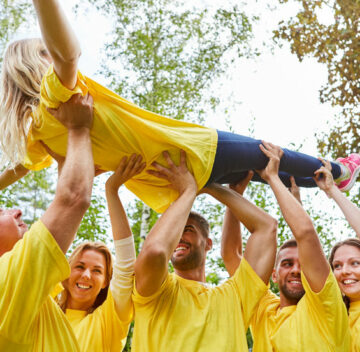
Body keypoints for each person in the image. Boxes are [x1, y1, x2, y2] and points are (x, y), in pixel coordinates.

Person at [0, 0, 359, 214]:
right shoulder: (57, 96)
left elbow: (18, 169)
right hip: (192, 148)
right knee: (268, 154)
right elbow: (69, 53)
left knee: (266, 174)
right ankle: (340, 171)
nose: (53, 57)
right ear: (33, 64)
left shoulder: (38, 135)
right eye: (45, 52)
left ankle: (331, 180)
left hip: (174, 178)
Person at [131, 149, 278, 351]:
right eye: (176, 232)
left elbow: (267, 227)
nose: (179, 236)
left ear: (208, 244)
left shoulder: (234, 297)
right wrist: (188, 191)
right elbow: (155, 250)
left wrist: (212, 187)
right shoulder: (158, 289)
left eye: (188, 229)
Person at [222, 142, 351, 351]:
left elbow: (306, 234)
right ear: (274, 274)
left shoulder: (325, 307)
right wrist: (235, 193)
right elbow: (231, 255)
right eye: (287, 263)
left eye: (302, 265)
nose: (296, 270)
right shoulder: (263, 310)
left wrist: (273, 177)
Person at [0, 93, 94, 350]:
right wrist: (78, 128)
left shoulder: (23, 287)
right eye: (1, 212)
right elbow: (73, 199)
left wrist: (67, 160)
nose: (16, 211)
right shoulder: (7, 279)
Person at [51, 154, 144, 351]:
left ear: (105, 282)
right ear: (65, 272)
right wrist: (65, 170)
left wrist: (111, 190)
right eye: (80, 266)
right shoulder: (45, 311)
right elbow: (49, 243)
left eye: (97, 271)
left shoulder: (109, 319)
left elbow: (127, 265)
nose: (86, 275)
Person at [314, 160, 360, 351]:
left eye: (355, 263)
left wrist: (333, 190)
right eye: (337, 266)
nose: (345, 271)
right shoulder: (336, 316)